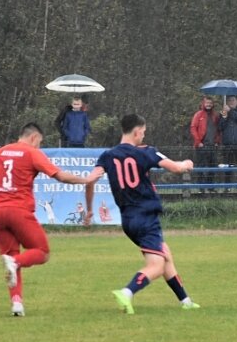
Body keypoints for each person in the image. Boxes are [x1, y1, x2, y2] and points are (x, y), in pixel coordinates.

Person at [84, 113, 200, 314]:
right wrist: (187, 164)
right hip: (146, 217)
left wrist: (89, 210)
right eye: (143, 133)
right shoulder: (146, 152)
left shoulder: (107, 156)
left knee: (165, 255)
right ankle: (127, 292)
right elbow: (176, 168)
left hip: (128, 220)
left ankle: (186, 301)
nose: (144, 137)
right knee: (156, 265)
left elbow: (90, 181)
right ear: (137, 132)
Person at [0, 123, 93, 316]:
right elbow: (61, 176)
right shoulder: (31, 152)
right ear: (33, 137)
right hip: (18, 210)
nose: (39, 146)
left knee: (11, 257)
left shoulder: (3, 151)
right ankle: (16, 263)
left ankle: (17, 304)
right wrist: (86, 180)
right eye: (40, 142)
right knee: (42, 252)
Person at [189, 96, 220, 189]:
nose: (209, 105)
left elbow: (218, 130)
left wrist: (217, 141)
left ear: (213, 104)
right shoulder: (198, 114)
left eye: (210, 103)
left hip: (212, 145)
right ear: (203, 103)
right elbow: (193, 128)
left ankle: (211, 188)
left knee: (212, 167)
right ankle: (200, 188)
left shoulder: (215, 115)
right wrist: (198, 142)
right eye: (207, 103)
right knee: (201, 167)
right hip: (201, 145)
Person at [219, 95, 237, 186]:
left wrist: (230, 111)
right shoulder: (224, 113)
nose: (231, 102)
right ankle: (228, 187)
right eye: (229, 100)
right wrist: (224, 117)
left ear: (236, 101)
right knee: (228, 166)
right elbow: (220, 127)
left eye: (233, 100)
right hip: (228, 143)